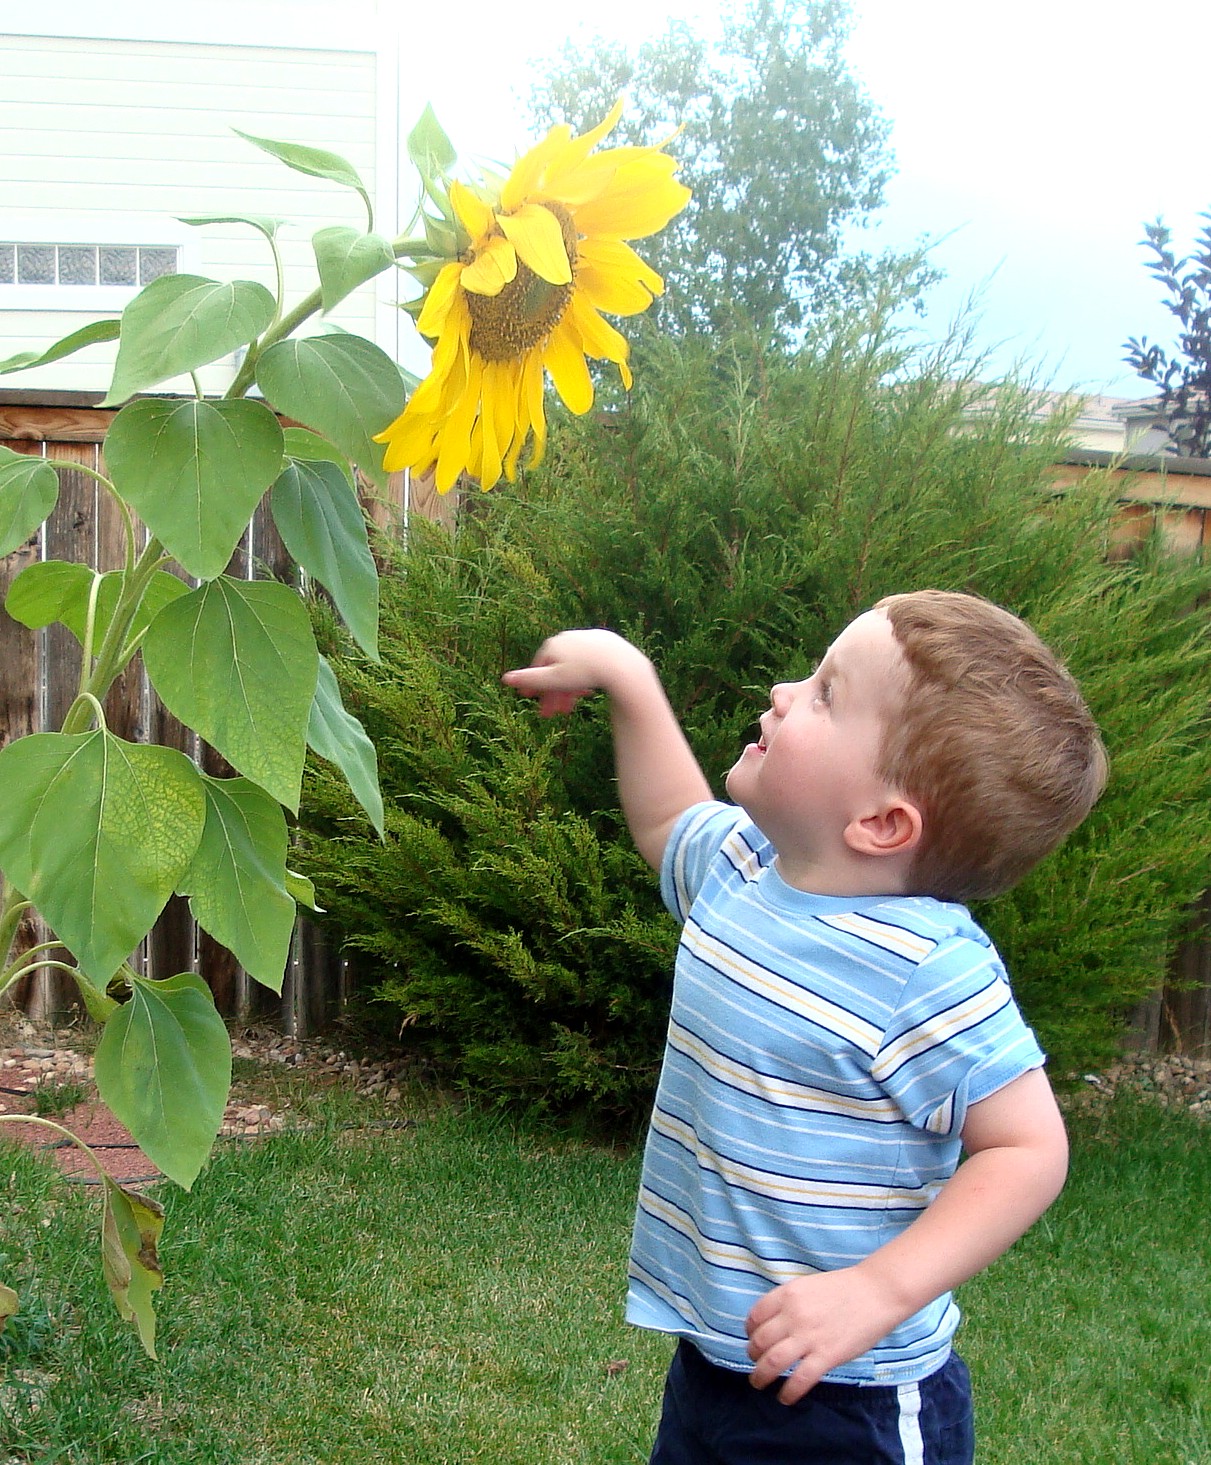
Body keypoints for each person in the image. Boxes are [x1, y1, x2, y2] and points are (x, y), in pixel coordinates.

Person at [502, 589, 1108, 1465]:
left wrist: (874, 1289)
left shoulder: (927, 968)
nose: (785, 690)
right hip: (722, 1356)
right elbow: (668, 818)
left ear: (880, 822)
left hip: (850, 1399)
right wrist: (627, 678)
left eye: (825, 692)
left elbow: (1028, 1150)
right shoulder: (746, 864)